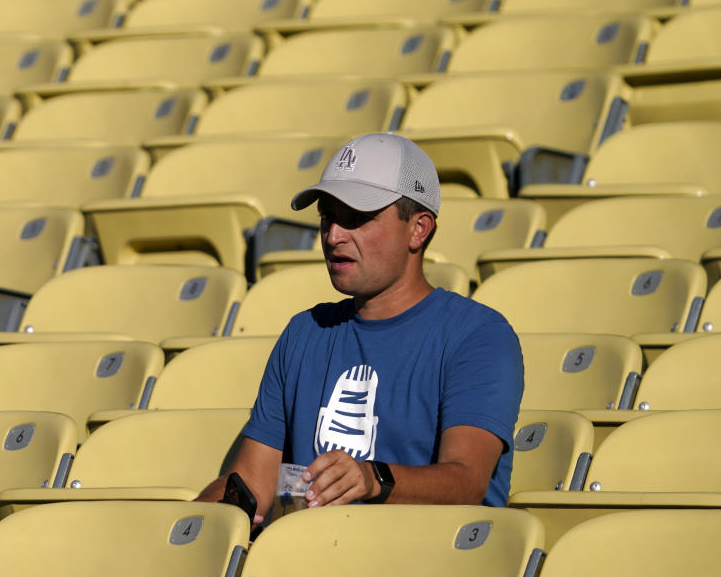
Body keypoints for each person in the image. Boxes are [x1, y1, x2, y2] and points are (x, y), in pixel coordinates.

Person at [196, 133, 523, 522]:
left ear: (419, 229)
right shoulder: (304, 332)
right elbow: (251, 481)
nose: (334, 236)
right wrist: (200, 526)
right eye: (327, 217)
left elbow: (466, 483)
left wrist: (372, 478)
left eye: (356, 218)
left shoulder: (478, 335)